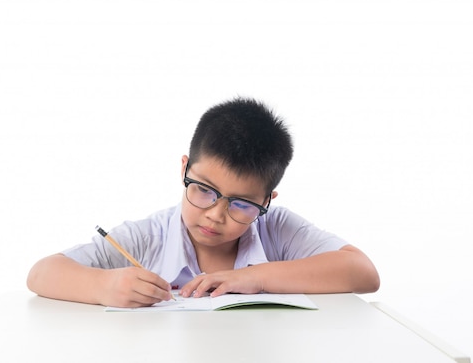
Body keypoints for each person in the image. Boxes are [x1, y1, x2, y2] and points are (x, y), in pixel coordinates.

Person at [27, 97, 380, 307]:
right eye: (203, 189)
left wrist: (257, 277)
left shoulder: (276, 229)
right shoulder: (148, 237)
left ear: (266, 202)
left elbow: (363, 273)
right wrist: (103, 286)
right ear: (185, 168)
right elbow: (41, 274)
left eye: (242, 204)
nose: (215, 214)